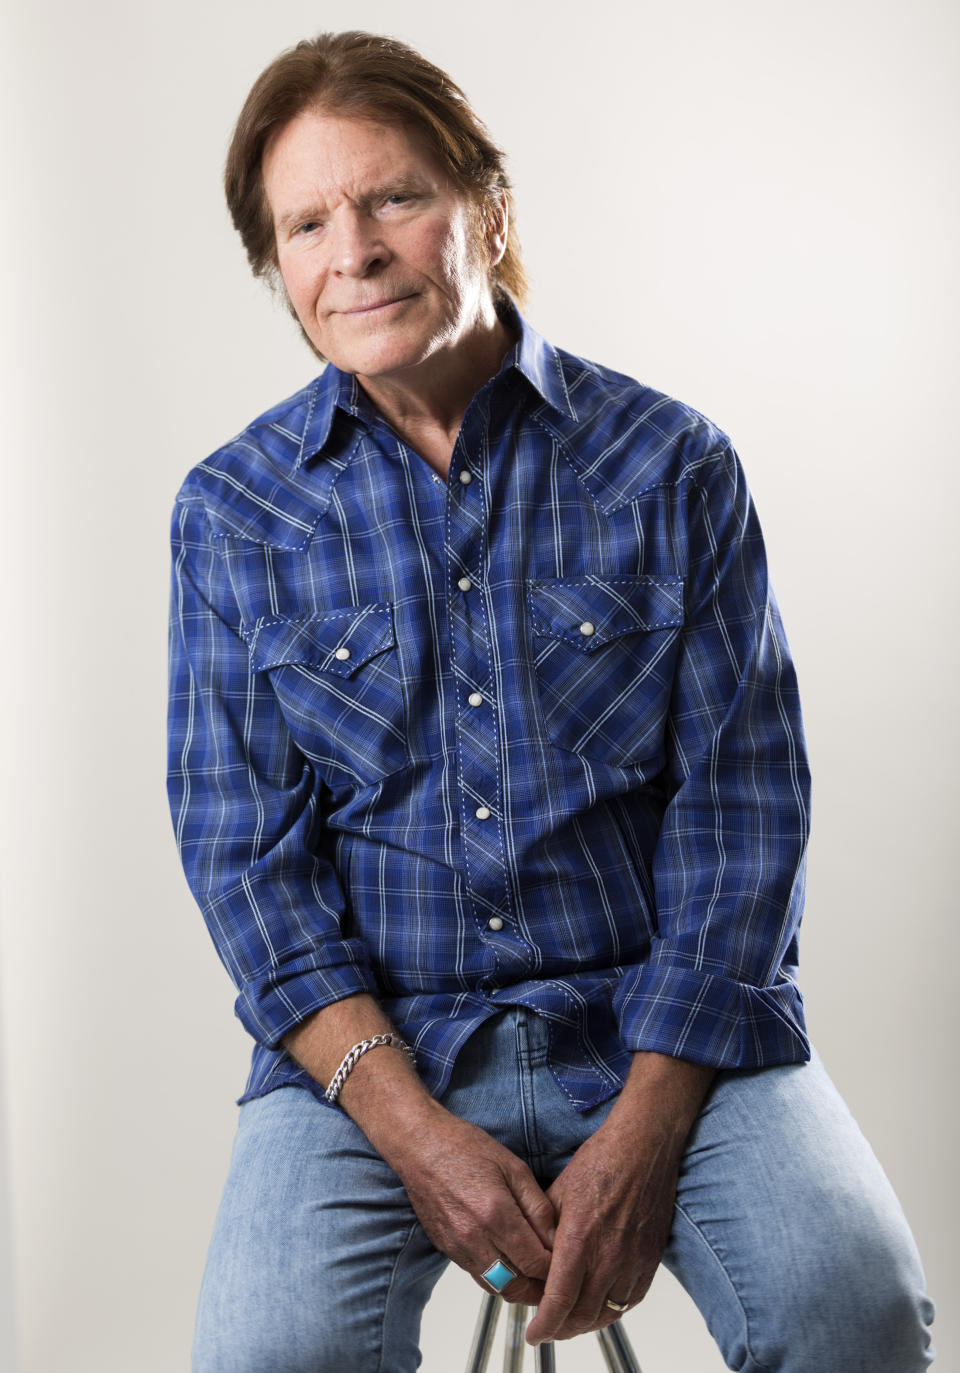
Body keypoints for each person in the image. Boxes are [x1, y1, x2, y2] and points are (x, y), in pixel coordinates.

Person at [166, 29, 935, 1373]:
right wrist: (415, 1131)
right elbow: (246, 859)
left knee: (850, 1305)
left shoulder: (669, 463)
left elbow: (746, 806)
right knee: (269, 1351)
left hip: (665, 1024)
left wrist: (648, 1122)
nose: (354, 250)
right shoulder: (234, 513)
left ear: (488, 203)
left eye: (393, 196)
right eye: (306, 223)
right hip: (378, 1049)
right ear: (278, 268)